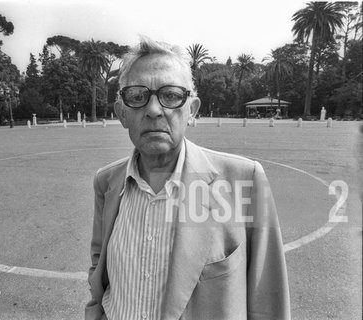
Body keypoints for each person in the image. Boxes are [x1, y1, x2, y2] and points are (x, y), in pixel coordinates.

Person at [86, 36, 290, 320]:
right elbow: (100, 268)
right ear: (121, 113)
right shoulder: (107, 182)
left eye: (171, 95)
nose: (154, 110)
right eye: (137, 96)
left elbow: (268, 299)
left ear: (192, 110)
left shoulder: (242, 181)